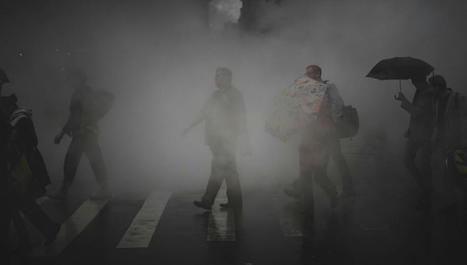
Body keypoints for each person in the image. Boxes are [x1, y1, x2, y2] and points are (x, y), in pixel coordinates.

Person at [284, 65, 354, 200]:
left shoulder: (328, 87)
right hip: (314, 131)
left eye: (309, 74)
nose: (307, 76)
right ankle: (303, 189)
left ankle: (348, 188)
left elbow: (338, 104)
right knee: (308, 159)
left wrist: (330, 118)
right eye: (306, 74)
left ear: (318, 74)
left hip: (329, 130)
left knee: (337, 158)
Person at [184, 67, 249, 210]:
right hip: (216, 139)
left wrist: (243, 136)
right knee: (229, 171)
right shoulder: (215, 95)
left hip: (227, 140)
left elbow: (241, 116)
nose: (216, 79)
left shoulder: (235, 95)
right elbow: (204, 112)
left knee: (218, 169)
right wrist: (190, 126)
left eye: (219, 76)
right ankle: (235, 202)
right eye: (216, 76)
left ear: (228, 78)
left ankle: (208, 200)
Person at [0, 94, 60, 249]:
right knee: (17, 203)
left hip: (21, 165)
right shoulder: (17, 119)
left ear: (8, 107)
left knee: (14, 202)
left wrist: (13, 144)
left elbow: (28, 142)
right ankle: (44, 231)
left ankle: (21, 240)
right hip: (20, 164)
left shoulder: (19, 120)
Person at [49, 69, 110, 200]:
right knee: (93, 159)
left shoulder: (82, 93)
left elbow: (76, 116)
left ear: (78, 79)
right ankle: (104, 188)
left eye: (72, 79)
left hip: (84, 132)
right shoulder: (84, 92)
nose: (70, 82)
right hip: (88, 132)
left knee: (72, 159)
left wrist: (62, 132)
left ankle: (64, 190)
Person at [395, 74, 436, 210]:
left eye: (413, 80)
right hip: (417, 132)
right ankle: (425, 188)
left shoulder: (427, 92)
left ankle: (427, 191)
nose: (412, 82)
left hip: (424, 134)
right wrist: (410, 129)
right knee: (409, 160)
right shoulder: (421, 90)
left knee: (424, 165)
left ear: (418, 80)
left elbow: (418, 112)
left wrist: (404, 100)